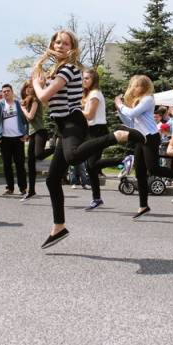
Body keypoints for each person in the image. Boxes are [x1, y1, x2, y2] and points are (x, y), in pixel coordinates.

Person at [31, 29, 143, 248]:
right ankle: (59, 227)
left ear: (72, 48)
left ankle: (117, 136)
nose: (60, 46)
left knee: (73, 157)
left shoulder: (69, 69)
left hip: (73, 121)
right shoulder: (58, 70)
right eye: (57, 42)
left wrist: (37, 82)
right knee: (52, 179)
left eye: (65, 43)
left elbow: (44, 97)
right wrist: (42, 79)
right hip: (63, 125)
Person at [115, 75, 173, 219]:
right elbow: (130, 122)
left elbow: (132, 113)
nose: (133, 88)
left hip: (151, 137)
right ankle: (143, 206)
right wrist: (120, 111)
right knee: (139, 173)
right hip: (140, 137)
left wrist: (120, 105)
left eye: (136, 86)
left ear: (144, 87)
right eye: (133, 86)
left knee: (153, 168)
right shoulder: (138, 101)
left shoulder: (148, 99)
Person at [0, 84, 28, 196]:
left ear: (12, 92)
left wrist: (26, 134)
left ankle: (23, 188)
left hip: (18, 138)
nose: (6, 93)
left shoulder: (19, 104)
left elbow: (26, 120)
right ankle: (9, 188)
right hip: (5, 139)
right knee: (7, 165)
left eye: (8, 91)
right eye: (4, 91)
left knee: (20, 164)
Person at [81, 68, 111, 210]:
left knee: (92, 165)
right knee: (90, 166)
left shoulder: (95, 94)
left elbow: (89, 115)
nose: (84, 80)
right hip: (92, 131)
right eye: (83, 78)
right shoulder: (90, 94)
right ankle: (97, 198)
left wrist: (76, 110)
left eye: (87, 78)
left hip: (98, 131)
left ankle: (122, 161)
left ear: (94, 80)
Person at [20, 81, 53, 201]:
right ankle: (31, 191)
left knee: (38, 155)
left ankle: (56, 149)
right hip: (32, 134)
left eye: (30, 87)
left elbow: (30, 116)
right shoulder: (27, 101)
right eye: (26, 87)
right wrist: (26, 134)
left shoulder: (35, 100)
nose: (28, 89)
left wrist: (23, 109)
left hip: (40, 132)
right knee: (30, 163)